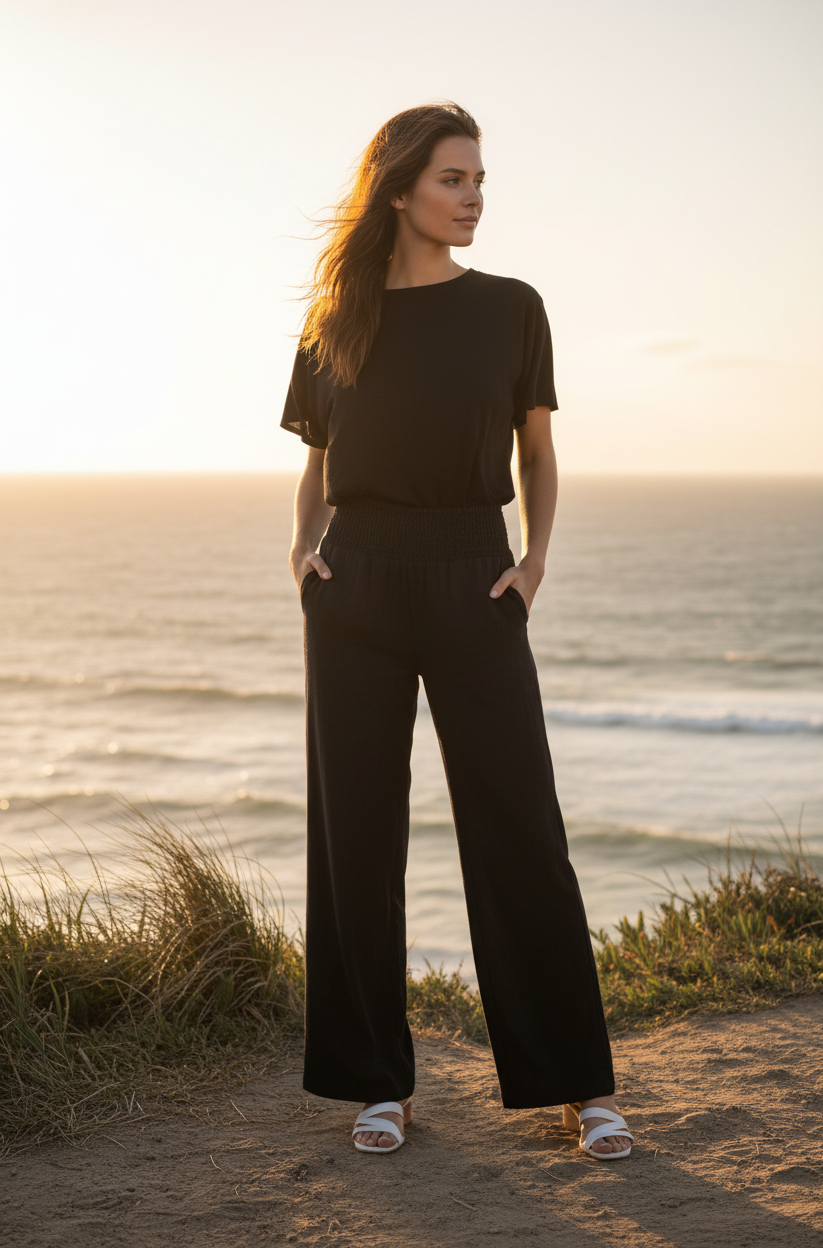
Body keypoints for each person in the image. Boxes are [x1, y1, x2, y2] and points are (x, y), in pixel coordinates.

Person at [280, 102, 633, 1161]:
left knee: (520, 826)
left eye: (479, 179)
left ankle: (577, 1084)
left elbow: (537, 452)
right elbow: (317, 459)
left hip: (475, 576)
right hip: (357, 582)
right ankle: (373, 1085)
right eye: (452, 178)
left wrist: (532, 563)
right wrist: (302, 554)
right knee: (356, 839)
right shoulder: (334, 318)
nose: (473, 196)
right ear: (399, 191)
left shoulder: (512, 309)